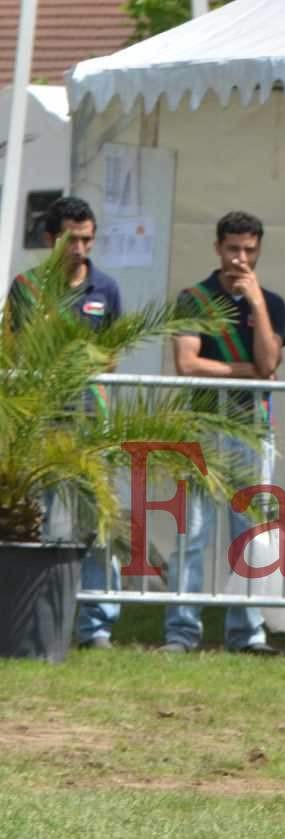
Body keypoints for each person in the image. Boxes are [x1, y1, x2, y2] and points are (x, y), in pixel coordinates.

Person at [160, 211, 285, 655]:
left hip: (251, 431)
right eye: (233, 248)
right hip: (202, 429)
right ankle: (181, 632)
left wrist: (256, 305)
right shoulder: (194, 298)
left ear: (259, 250)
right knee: (191, 534)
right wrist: (247, 372)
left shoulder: (271, 302)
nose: (241, 258)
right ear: (217, 248)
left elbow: (271, 364)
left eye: (249, 250)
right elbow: (188, 363)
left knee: (251, 535)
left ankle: (247, 633)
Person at [6, 196, 124, 650]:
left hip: (90, 420)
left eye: (88, 239)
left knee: (94, 520)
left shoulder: (106, 289)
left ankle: (96, 624)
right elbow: (15, 353)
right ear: (51, 240)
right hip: (39, 422)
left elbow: (112, 354)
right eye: (72, 239)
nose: (80, 248)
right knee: (37, 520)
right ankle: (38, 613)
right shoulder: (27, 288)